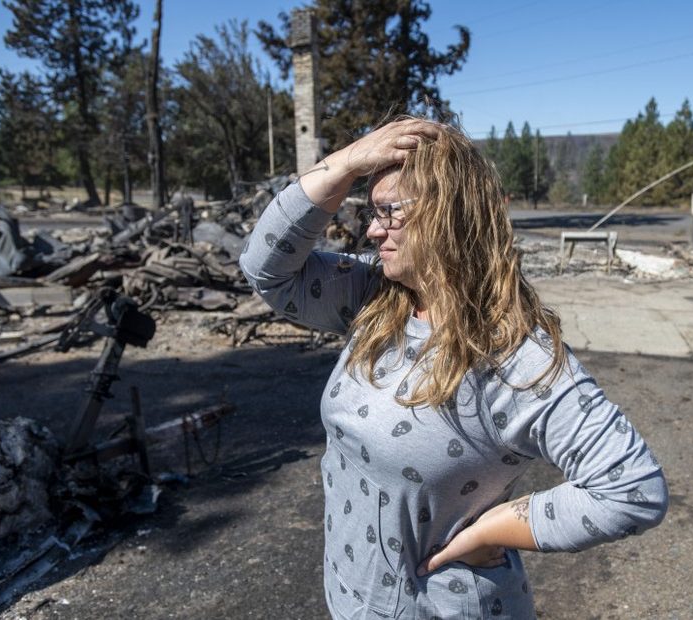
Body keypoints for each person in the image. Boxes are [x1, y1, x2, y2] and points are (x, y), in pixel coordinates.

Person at [239, 119, 668, 619]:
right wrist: (351, 159)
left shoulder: (514, 356)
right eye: (372, 213)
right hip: (353, 599)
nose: (373, 229)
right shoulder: (375, 295)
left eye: (388, 211)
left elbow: (633, 490)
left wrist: (492, 528)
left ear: (449, 216)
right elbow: (265, 268)